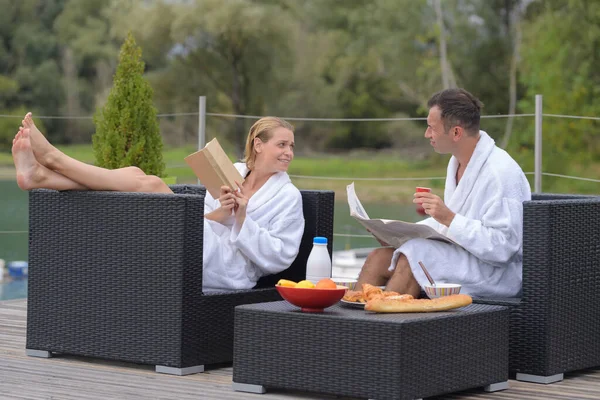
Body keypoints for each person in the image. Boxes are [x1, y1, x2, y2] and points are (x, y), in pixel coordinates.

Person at [12, 113, 305, 291]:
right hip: (199, 245)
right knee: (134, 174)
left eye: (291, 146)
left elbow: (281, 257)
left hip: (229, 269)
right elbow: (206, 221)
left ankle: (52, 161)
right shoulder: (235, 172)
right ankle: (41, 176)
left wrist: (242, 218)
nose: (288, 152)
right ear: (258, 144)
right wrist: (225, 211)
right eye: (282, 144)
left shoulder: (288, 197)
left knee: (150, 183)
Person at [356, 88, 531, 298]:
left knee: (417, 255)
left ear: (456, 132)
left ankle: (387, 328)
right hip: (464, 257)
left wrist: (448, 217)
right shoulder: (457, 163)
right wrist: (395, 235)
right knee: (378, 258)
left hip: (496, 274)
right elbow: (448, 229)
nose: (427, 134)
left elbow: (504, 249)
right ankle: (354, 327)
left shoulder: (500, 173)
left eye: (432, 128)